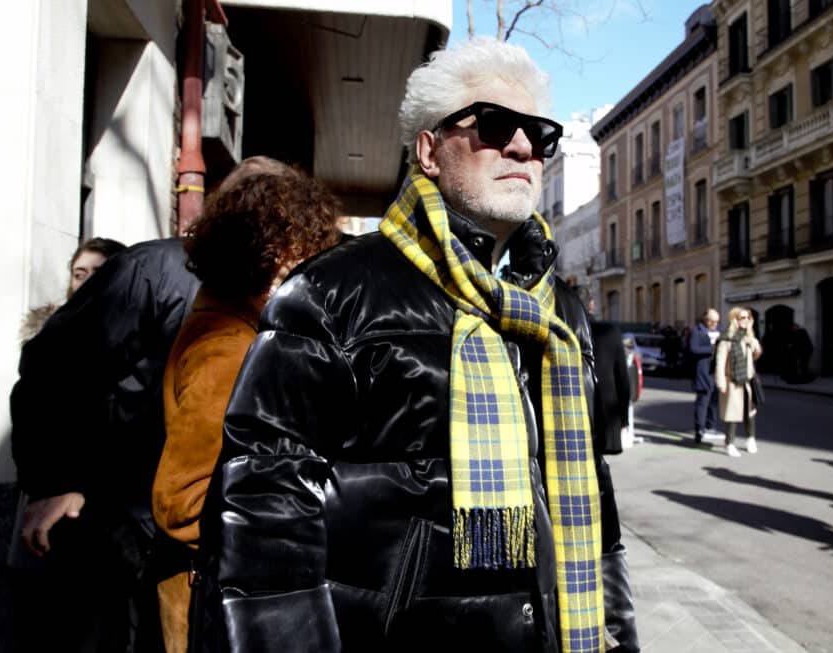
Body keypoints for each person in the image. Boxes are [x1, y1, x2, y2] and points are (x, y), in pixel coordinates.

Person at [202, 38, 638, 653]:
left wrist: (617, 636)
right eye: (494, 125)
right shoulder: (332, 293)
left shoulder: (559, 310)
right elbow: (264, 506)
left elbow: (591, 491)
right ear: (430, 150)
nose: (522, 148)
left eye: (539, 136)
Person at [151, 160, 343, 653]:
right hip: (214, 605)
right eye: (294, 258)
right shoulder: (228, 348)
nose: (305, 274)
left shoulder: (237, 330)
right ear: (260, 256)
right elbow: (182, 504)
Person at [10, 234, 200, 652]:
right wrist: (55, 482)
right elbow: (45, 383)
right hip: (94, 509)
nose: (90, 281)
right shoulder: (133, 292)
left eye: (99, 273)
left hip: (146, 511)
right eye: (82, 273)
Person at [18, 237, 127, 343]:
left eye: (100, 274)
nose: (87, 282)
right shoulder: (46, 337)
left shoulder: (137, 336)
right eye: (79, 275)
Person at [715, 307, 763, 457]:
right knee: (732, 414)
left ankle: (751, 439)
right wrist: (721, 382)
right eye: (743, 317)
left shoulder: (748, 338)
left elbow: (756, 356)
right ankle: (730, 443)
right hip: (732, 381)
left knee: (750, 412)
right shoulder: (726, 339)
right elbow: (720, 362)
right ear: (734, 319)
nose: (746, 320)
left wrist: (753, 341)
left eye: (748, 317)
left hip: (747, 380)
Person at [590, 320, 631, 455]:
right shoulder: (610, 331)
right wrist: (624, 419)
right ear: (592, 305)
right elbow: (622, 378)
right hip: (606, 417)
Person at [688, 308, 722, 443]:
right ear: (706, 320)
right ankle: (699, 429)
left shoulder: (719, 331)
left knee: (714, 401)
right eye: (712, 321)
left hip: (715, 372)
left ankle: (711, 426)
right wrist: (712, 350)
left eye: (717, 322)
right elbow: (693, 348)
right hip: (702, 372)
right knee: (702, 402)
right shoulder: (697, 331)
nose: (715, 324)